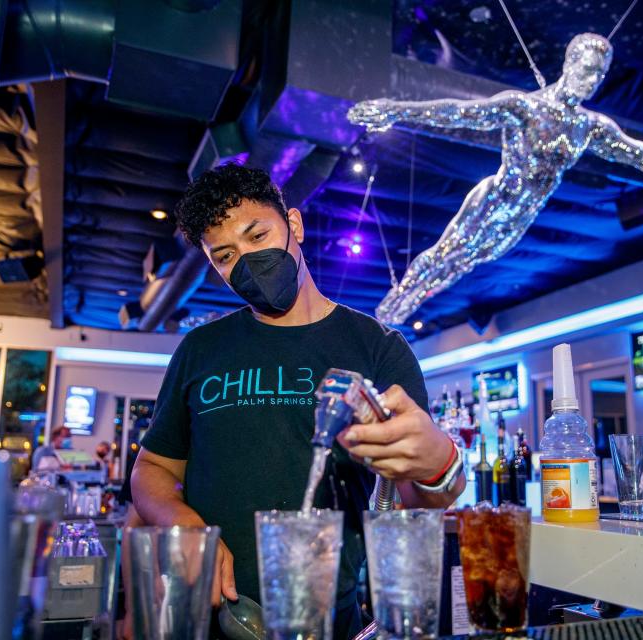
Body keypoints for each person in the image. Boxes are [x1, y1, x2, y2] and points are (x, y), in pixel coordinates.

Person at [131, 164, 465, 639]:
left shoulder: (376, 347)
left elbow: (412, 502)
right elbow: (151, 470)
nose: (246, 261)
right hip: (210, 614)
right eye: (224, 255)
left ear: (295, 225)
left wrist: (440, 469)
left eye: (257, 235)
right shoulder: (200, 350)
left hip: (329, 617)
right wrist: (182, 524)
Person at [348, 33, 643, 325]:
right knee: (442, 255)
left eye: (598, 76)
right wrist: (395, 111)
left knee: (462, 264)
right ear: (569, 64)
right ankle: (390, 308)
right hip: (495, 198)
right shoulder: (524, 107)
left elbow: (637, 152)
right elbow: (458, 113)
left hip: (520, 218)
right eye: (586, 70)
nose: (591, 82)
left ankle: (393, 315)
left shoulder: (588, 127)